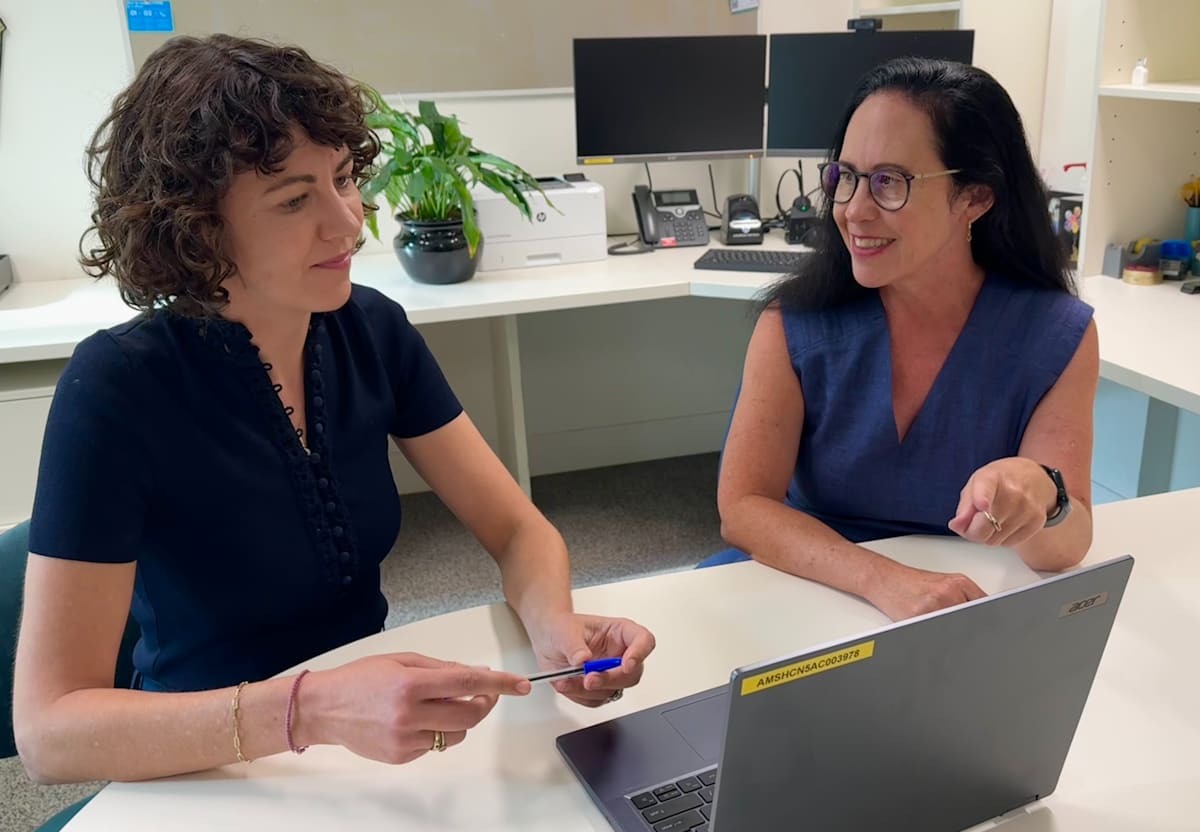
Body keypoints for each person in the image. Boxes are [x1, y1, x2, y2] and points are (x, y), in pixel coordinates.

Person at [13, 34, 654, 785]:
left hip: (364, 748)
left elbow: (517, 530)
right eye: (294, 199)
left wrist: (556, 631)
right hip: (204, 766)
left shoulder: (370, 329)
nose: (348, 221)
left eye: (344, 178)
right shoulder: (117, 387)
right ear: (196, 227)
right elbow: (51, 732)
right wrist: (309, 709)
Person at [715, 58, 1098, 621]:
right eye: (845, 176)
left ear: (975, 198)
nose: (853, 210)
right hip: (809, 581)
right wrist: (884, 580)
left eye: (889, 182)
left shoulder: (1053, 334)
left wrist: (1042, 494)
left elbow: (1063, 550)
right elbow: (743, 508)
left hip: (958, 601)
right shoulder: (795, 322)